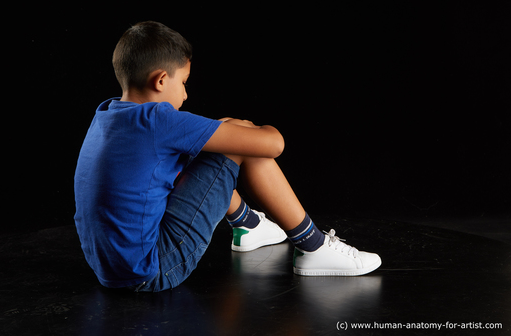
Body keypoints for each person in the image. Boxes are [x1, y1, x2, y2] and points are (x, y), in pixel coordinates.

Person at [74, 21, 381, 292]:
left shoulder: (108, 115)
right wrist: (254, 127)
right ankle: (313, 247)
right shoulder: (158, 120)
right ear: (160, 80)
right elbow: (274, 145)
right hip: (152, 271)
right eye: (183, 83)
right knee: (239, 140)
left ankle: (248, 225)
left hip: (111, 271)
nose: (185, 95)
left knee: (216, 139)